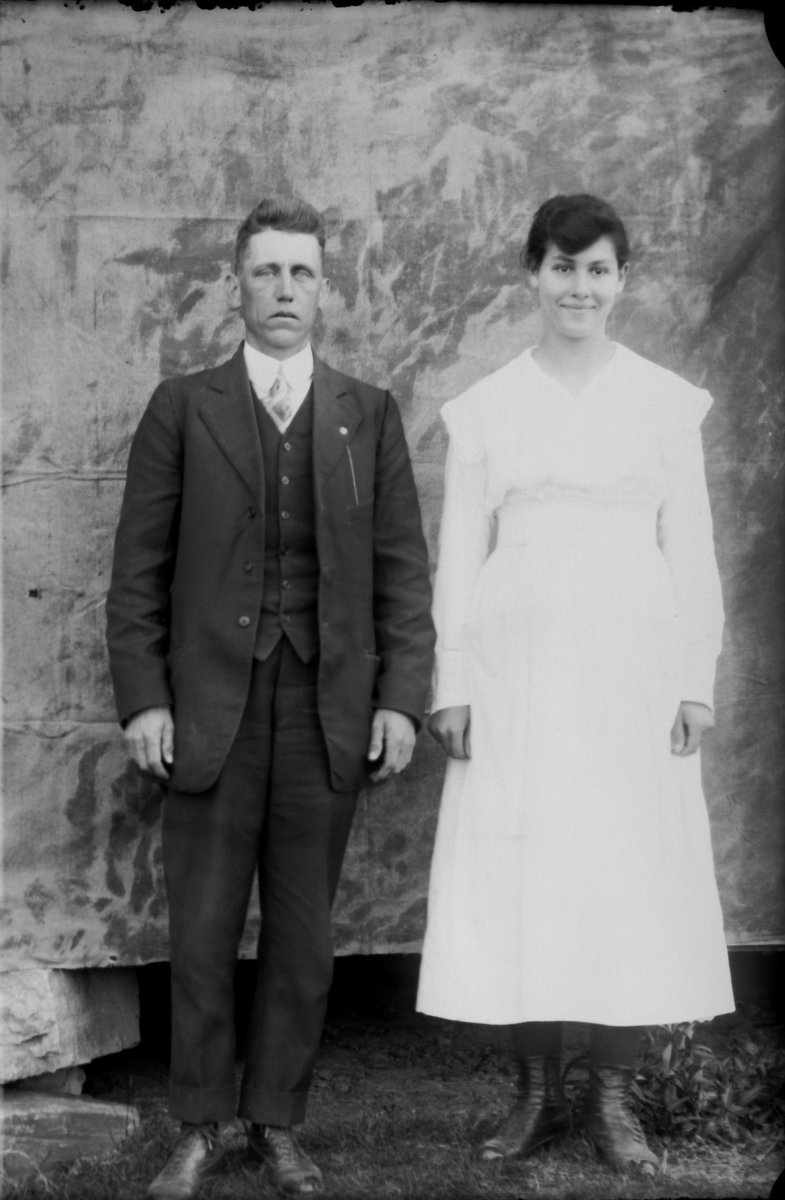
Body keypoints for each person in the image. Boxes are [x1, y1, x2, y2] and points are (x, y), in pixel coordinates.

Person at [106, 196, 435, 1199]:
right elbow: (137, 572)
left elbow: (401, 575)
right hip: (209, 710)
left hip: (327, 713)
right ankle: (202, 1125)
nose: (283, 289)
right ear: (236, 285)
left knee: (302, 940)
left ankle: (276, 1123)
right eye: (265, 271)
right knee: (202, 931)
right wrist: (145, 701)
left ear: (324, 288)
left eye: (300, 272)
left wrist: (398, 701)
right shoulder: (183, 407)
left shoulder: (366, 413)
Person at [417, 194, 734, 1175]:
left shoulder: (663, 404)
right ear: (532, 275)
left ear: (620, 281)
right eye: (561, 267)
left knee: (621, 871)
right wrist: (453, 682)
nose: (578, 287)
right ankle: (532, 1094)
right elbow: (458, 557)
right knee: (524, 870)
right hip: (516, 674)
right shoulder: (487, 409)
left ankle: (609, 1099)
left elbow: (691, 550)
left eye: (597, 269)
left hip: (630, 672)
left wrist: (692, 679)